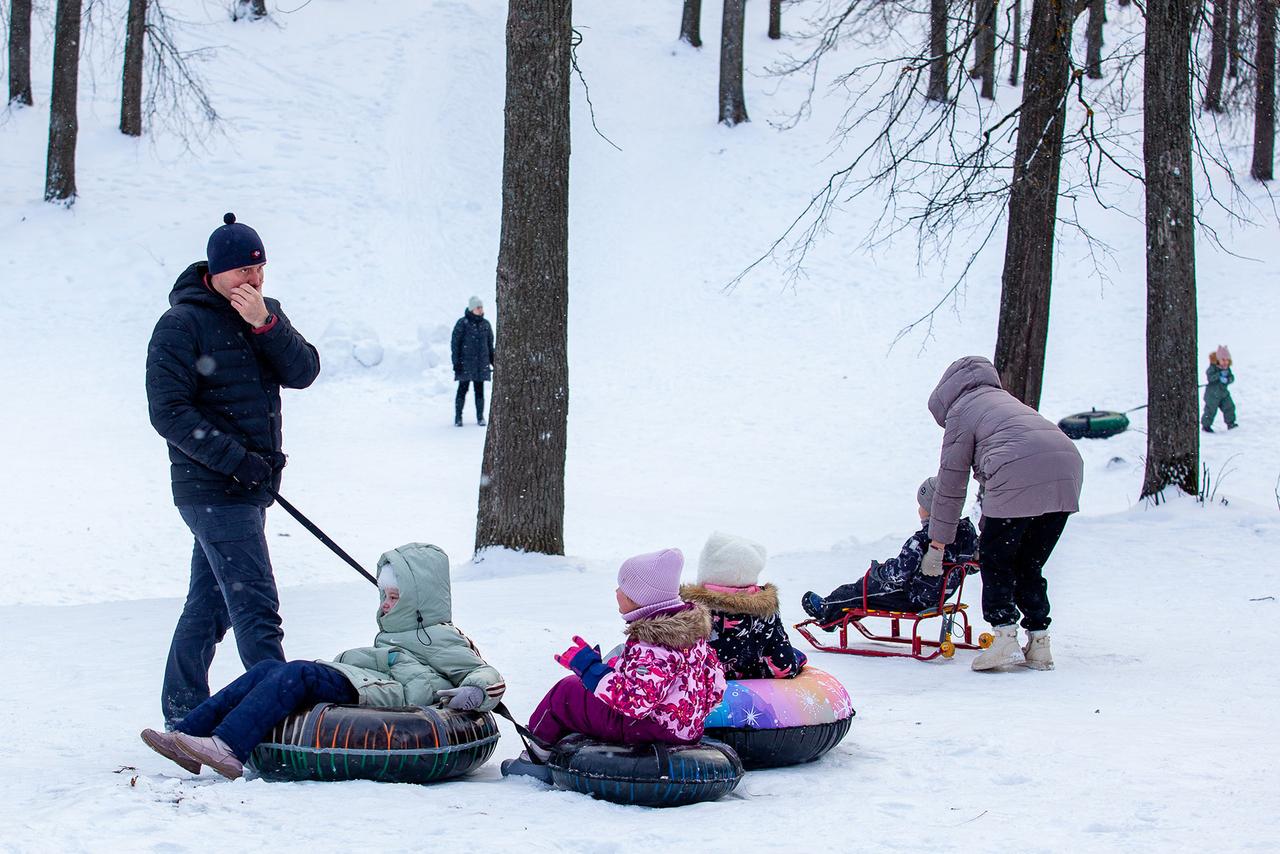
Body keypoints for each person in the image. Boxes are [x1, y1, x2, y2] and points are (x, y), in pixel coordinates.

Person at [146, 213, 320, 727]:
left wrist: (266, 325)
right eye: (243, 273)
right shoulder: (181, 324)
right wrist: (238, 462)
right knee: (255, 603)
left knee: (213, 604)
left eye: (260, 269)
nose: (253, 281)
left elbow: (304, 372)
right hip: (210, 487)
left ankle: (184, 714)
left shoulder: (266, 315)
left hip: (251, 487)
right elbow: (169, 412)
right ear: (215, 274)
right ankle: (275, 720)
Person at [140, 543, 506, 779]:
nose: (385, 605)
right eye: (384, 595)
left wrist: (474, 692)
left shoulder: (440, 634)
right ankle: (189, 734)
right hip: (364, 679)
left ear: (419, 599)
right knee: (268, 669)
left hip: (388, 694)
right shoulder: (396, 632)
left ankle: (228, 748)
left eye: (395, 596)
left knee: (297, 672)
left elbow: (483, 672)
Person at [501, 548, 726, 782]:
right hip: (687, 729)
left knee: (567, 691)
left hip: (648, 728)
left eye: (623, 588)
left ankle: (536, 756)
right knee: (590, 687)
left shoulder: (653, 644)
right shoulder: (692, 635)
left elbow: (636, 701)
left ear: (639, 598)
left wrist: (591, 671)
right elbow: (717, 684)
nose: (616, 592)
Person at [923, 356, 1083, 672]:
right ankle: (1039, 643)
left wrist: (937, 544)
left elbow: (951, 483)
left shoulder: (962, 411)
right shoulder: (1004, 401)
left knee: (996, 559)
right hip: (1067, 471)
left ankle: (1005, 637)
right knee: (1029, 562)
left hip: (1018, 471)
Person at [802, 477, 979, 624]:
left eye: (921, 505)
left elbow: (900, 573)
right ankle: (838, 615)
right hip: (940, 595)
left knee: (863, 589)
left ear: (930, 510)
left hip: (913, 597)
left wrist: (878, 571)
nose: (919, 510)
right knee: (870, 592)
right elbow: (969, 565)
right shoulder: (965, 534)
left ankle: (826, 608)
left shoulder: (921, 540)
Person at [681, 531, 807, 679]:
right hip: (751, 678)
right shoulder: (765, 613)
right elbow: (783, 664)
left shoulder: (687, 610)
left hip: (702, 681)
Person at [451, 296, 495, 426]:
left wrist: (494, 362)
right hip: (465, 364)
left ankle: (480, 417)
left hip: (481, 364)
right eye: (478, 307)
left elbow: (490, 345)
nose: (481, 310)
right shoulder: (462, 323)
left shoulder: (486, 324)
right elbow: (455, 345)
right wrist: (456, 363)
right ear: (471, 309)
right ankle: (458, 417)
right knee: (462, 389)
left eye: (481, 307)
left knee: (479, 391)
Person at [1202, 345, 1237, 433]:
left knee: (1229, 407)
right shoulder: (1212, 368)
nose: (1225, 362)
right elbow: (1210, 378)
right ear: (1218, 360)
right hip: (1212, 394)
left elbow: (1231, 378)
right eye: (1223, 360)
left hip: (1223, 393)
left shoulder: (1227, 369)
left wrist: (1227, 379)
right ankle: (1206, 425)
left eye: (1227, 360)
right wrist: (1219, 376)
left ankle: (1231, 423)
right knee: (1210, 410)